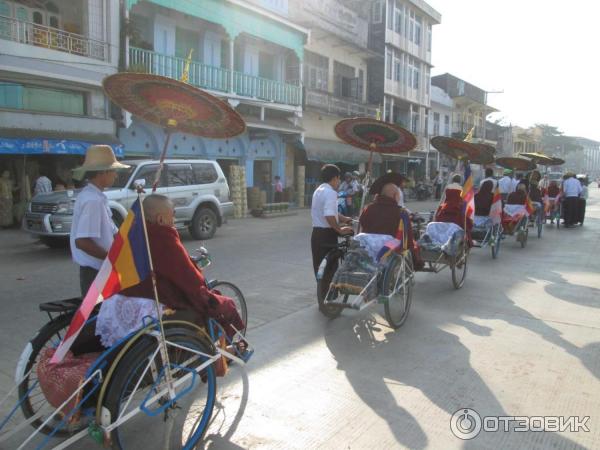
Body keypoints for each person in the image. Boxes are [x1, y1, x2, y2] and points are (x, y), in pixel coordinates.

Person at [117, 195, 244, 337]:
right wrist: (209, 298)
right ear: (160, 219)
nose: (174, 221)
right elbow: (191, 281)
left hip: (125, 302)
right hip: (157, 305)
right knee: (225, 305)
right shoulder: (164, 237)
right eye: (173, 216)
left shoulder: (132, 233)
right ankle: (225, 348)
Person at [70, 145, 130, 296]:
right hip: (95, 272)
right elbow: (82, 241)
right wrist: (111, 258)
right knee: (99, 316)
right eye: (113, 171)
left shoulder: (96, 196)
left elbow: (111, 232)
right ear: (102, 172)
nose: (115, 175)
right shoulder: (92, 200)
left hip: (99, 269)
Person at [359, 180, 421, 268]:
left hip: (367, 248)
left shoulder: (368, 208)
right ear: (395, 196)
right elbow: (407, 240)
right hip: (389, 250)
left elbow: (363, 224)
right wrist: (415, 258)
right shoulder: (401, 213)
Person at [311, 164, 353, 277]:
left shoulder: (318, 190)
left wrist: (344, 219)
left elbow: (330, 211)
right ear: (335, 178)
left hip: (316, 234)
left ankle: (323, 294)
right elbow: (329, 215)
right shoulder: (331, 193)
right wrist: (339, 230)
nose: (339, 182)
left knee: (320, 271)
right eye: (339, 179)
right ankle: (330, 294)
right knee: (329, 273)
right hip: (327, 235)